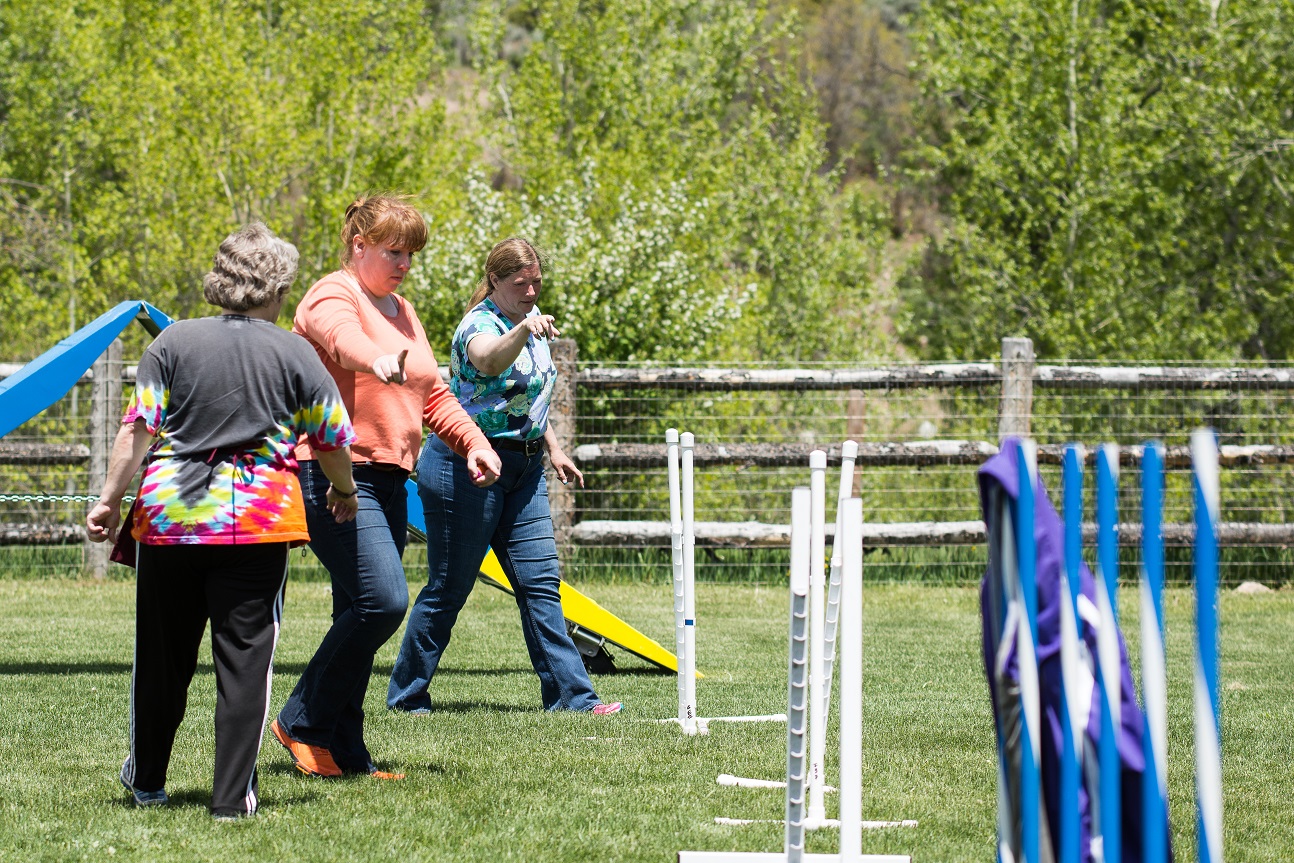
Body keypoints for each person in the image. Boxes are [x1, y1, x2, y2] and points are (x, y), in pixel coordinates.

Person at [85, 223, 360, 820]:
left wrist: (110, 498)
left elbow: (137, 429)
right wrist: (344, 490)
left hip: (171, 515)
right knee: (245, 663)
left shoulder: (172, 343)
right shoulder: (295, 351)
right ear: (279, 284)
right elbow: (332, 439)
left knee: (162, 656)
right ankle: (232, 800)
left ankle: (148, 782)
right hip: (255, 523)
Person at [272, 195, 502, 780]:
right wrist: (378, 360)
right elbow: (343, 338)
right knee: (384, 601)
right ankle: (300, 719)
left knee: (358, 608)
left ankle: (345, 754)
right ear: (358, 246)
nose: (403, 263)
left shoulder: (403, 309)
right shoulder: (333, 294)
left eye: (410, 254)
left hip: (392, 475)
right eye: (393, 251)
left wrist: (473, 441)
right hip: (334, 474)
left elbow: (431, 395)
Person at [387, 238, 621, 716]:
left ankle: (573, 699)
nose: (532, 291)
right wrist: (523, 330)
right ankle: (407, 696)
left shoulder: (528, 323)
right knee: (450, 587)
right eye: (521, 283)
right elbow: (489, 361)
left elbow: (524, 398)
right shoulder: (480, 325)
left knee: (541, 582)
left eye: (537, 281)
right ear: (495, 281)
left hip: (525, 470)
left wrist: (553, 448)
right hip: (465, 467)